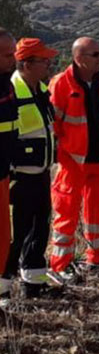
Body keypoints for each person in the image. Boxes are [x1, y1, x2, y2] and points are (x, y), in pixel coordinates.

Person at [48, 37, 99, 278]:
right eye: (95, 54)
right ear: (79, 59)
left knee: (97, 212)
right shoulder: (61, 84)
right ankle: (60, 265)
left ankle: (97, 258)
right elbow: (53, 124)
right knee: (66, 213)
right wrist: (65, 150)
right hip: (72, 161)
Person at [1, 38, 59, 297]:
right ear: (25, 64)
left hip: (40, 173)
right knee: (13, 235)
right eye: (43, 60)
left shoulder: (41, 89)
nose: (49, 64)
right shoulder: (13, 89)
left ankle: (33, 284)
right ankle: (3, 289)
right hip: (17, 177)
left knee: (39, 228)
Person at [0, 29, 19, 305]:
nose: (12, 60)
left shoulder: (7, 84)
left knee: (4, 238)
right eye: (6, 55)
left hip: (3, 172)